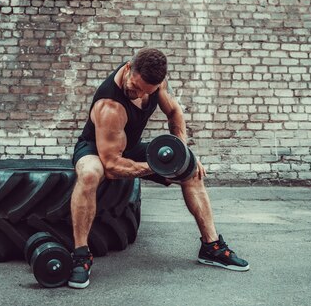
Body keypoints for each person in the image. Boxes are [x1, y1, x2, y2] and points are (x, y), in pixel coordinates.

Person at [68, 48, 249, 289]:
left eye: (147, 91)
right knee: (91, 173)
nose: (139, 93)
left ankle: (211, 246)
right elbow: (111, 165)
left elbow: (174, 112)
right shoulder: (110, 105)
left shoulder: (156, 83)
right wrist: (157, 167)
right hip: (96, 149)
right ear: (129, 67)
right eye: (136, 86)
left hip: (129, 147)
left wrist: (183, 156)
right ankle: (81, 256)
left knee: (192, 171)